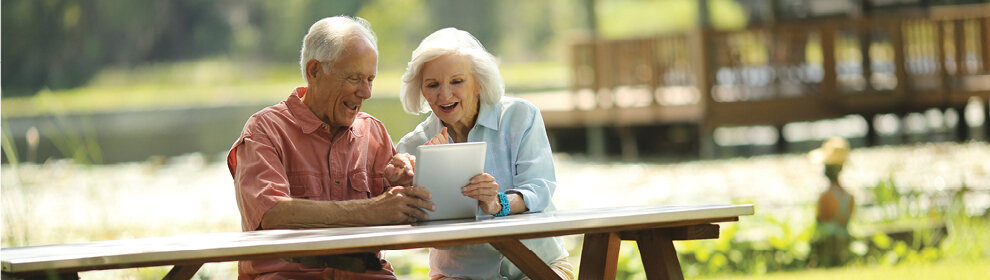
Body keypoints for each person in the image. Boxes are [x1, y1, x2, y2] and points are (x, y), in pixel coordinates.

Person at [226, 16, 434, 279]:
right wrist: (372, 210)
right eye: (355, 78)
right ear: (314, 71)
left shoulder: (374, 132)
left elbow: (402, 212)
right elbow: (272, 213)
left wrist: (403, 185)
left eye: (370, 79)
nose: (366, 92)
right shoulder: (265, 130)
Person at [395, 28, 574, 280]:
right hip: (458, 276)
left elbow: (540, 188)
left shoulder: (521, 117)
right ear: (421, 90)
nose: (444, 95)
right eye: (432, 85)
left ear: (478, 82)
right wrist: (409, 187)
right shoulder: (414, 146)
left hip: (539, 267)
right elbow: (414, 226)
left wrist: (497, 203)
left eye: (456, 81)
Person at [809, 136, 855, 267]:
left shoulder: (826, 196)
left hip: (826, 251)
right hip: (844, 248)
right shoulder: (849, 196)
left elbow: (820, 220)